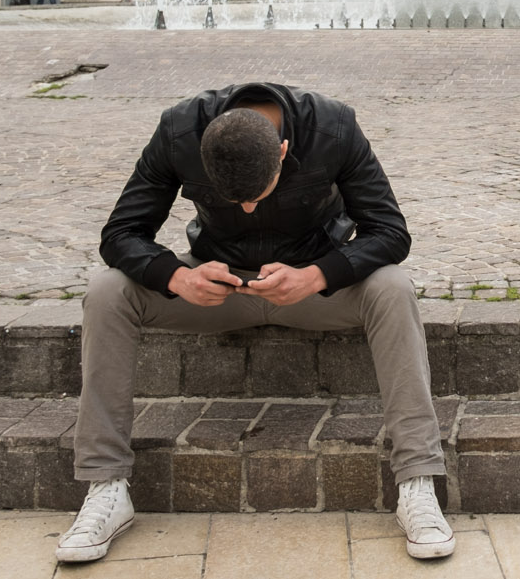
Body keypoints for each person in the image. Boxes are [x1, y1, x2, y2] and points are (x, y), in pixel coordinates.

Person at [56, 82, 453, 565]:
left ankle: (417, 482)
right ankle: (107, 487)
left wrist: (318, 275)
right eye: (234, 199)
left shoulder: (334, 127)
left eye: (256, 195)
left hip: (313, 287)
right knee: (106, 290)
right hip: (217, 292)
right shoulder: (180, 130)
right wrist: (178, 277)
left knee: (393, 287)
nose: (247, 209)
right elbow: (121, 233)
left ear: (284, 151)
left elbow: (390, 232)